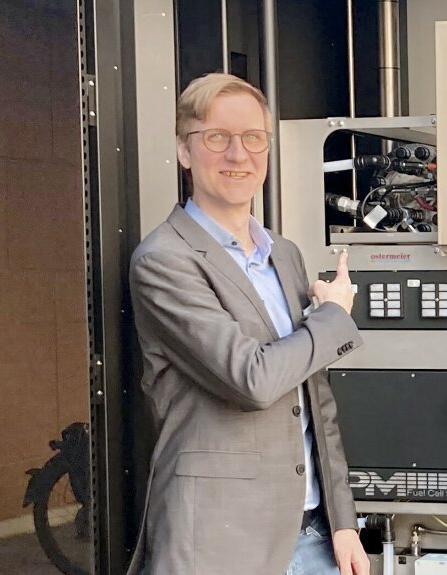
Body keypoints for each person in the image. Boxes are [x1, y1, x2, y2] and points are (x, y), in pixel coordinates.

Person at [127, 73, 370, 575]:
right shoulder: (163, 260)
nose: (238, 155)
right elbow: (251, 380)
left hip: (312, 533)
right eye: (216, 137)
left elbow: (315, 400)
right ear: (183, 151)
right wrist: (332, 317)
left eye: (253, 138)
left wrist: (343, 521)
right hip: (218, 539)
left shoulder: (284, 254)